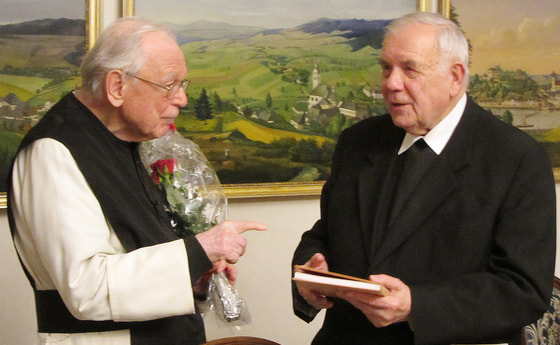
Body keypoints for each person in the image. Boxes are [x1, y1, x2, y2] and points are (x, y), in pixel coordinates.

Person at [292, 11, 556, 345]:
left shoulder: (516, 158)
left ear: (455, 77)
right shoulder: (357, 142)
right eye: (386, 67)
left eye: (409, 68)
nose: (390, 83)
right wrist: (309, 274)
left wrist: (416, 306)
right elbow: (323, 235)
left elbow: (523, 290)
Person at [7, 17, 266, 345]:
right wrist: (200, 248)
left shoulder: (127, 141)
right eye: (169, 85)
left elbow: (138, 256)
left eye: (183, 85)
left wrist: (193, 280)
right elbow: (87, 289)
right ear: (117, 86)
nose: (182, 99)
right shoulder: (52, 153)